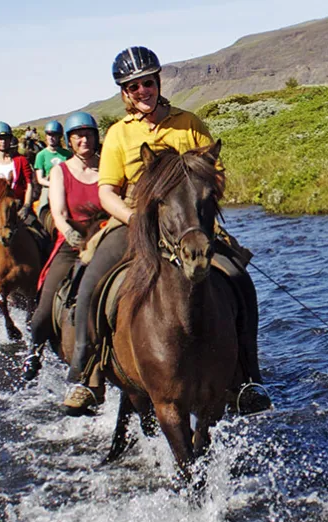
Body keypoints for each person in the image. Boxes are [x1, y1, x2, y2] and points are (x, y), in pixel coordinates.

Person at [60, 45, 270, 415]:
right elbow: (106, 191)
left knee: (238, 277)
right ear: (125, 93)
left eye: (148, 83)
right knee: (91, 280)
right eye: (134, 86)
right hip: (135, 222)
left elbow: (213, 173)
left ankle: (247, 377)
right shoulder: (118, 136)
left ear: (157, 83)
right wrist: (133, 218)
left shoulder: (188, 123)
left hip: (188, 222)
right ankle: (87, 373)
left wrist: (203, 206)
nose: (143, 91)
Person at [26, 112, 114, 410]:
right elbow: (59, 212)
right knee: (41, 313)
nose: (83, 139)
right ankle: (35, 350)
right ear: (70, 141)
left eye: (88, 134)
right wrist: (68, 233)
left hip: (106, 238)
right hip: (73, 242)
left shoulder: (107, 166)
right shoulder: (61, 171)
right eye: (77, 135)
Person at [32, 120, 72, 219]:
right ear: (46, 136)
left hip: (67, 185)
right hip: (48, 186)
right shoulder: (41, 155)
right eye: (49, 134)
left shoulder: (67, 154)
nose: (51, 137)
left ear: (59, 137)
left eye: (54, 135)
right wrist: (54, 184)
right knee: (42, 207)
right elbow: (40, 179)